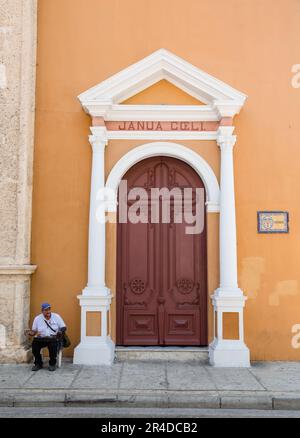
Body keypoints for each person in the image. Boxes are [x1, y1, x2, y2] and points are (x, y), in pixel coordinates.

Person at [27, 303, 67, 372]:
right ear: (42, 311)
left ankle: (52, 364)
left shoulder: (56, 316)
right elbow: (34, 331)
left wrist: (60, 331)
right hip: (42, 338)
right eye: (46, 310)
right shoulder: (37, 318)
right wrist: (30, 333)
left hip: (53, 338)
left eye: (49, 309)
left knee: (53, 347)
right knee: (35, 345)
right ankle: (38, 363)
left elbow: (64, 327)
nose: (48, 311)